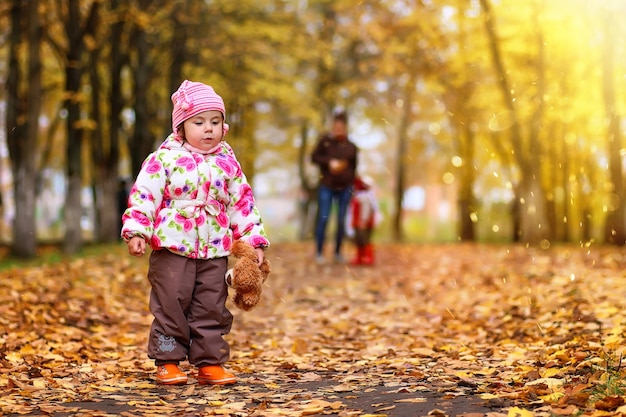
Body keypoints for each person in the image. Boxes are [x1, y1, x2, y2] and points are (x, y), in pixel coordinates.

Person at [121, 80, 269, 386]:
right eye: (199, 122)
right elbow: (145, 194)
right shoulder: (163, 159)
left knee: (211, 304)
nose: (208, 129)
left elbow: (242, 203)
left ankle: (210, 362)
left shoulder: (228, 163)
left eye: (215, 121)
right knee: (171, 301)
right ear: (181, 127)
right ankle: (168, 359)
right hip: (173, 246)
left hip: (215, 246)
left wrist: (253, 239)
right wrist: (137, 230)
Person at [311, 111, 358, 264]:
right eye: (336, 126)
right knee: (324, 217)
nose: (338, 129)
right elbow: (314, 157)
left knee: (341, 220)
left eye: (341, 126)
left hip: (345, 188)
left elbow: (353, 167)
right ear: (333, 126)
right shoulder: (325, 141)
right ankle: (319, 252)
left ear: (345, 127)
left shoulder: (351, 146)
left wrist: (352, 184)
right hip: (327, 186)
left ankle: (338, 252)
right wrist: (329, 162)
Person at [347, 176, 379, 266]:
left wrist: (363, 221)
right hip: (358, 223)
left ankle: (368, 257)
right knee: (359, 240)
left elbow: (366, 210)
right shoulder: (359, 196)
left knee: (365, 240)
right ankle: (360, 257)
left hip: (363, 224)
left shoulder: (364, 197)